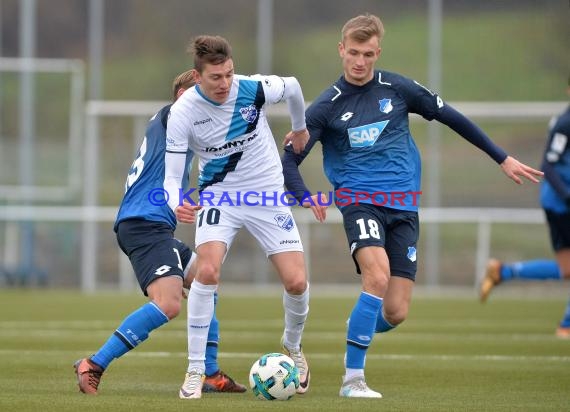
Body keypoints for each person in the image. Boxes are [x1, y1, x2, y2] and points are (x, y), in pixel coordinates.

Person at [281, 13, 544, 398]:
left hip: (404, 205)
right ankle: (352, 381)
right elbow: (288, 158)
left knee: (396, 311)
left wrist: (501, 157)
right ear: (341, 50)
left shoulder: (398, 88)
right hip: (359, 202)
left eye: (368, 54)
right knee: (377, 276)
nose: (359, 61)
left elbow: (450, 117)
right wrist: (306, 196)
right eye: (353, 52)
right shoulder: (325, 107)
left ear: (377, 52)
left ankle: (360, 325)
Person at [73, 70, 247, 395]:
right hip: (144, 225)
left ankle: (209, 372)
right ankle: (94, 364)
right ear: (182, 96)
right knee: (168, 304)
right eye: (198, 91)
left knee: (205, 279)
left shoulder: (180, 131)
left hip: (152, 226)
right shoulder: (172, 116)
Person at [163, 35, 311, 400]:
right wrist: (174, 200)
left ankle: (293, 347)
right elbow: (170, 176)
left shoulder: (252, 88)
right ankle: (196, 369)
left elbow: (292, 87)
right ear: (198, 77)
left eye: (228, 73)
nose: (225, 83)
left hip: (266, 193)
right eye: (215, 77)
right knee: (208, 270)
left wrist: (301, 126)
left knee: (296, 282)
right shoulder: (182, 113)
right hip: (220, 196)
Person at [480, 76, 570, 339]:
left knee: (566, 269)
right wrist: (566, 195)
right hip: (560, 203)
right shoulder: (566, 123)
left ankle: (504, 272)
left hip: (558, 201)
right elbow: (549, 163)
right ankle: (566, 325)